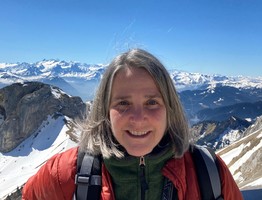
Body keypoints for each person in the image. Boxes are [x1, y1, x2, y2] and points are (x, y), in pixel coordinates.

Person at [22, 48, 243, 200]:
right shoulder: (63, 174)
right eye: (123, 103)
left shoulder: (209, 171)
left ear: (170, 109)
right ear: (105, 110)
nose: (138, 118)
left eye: (152, 102)